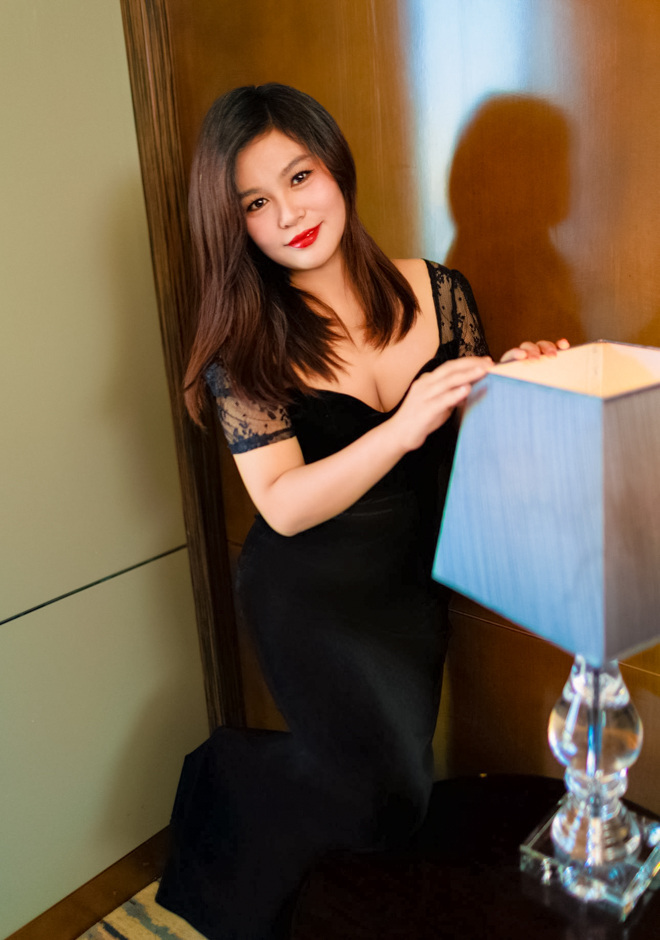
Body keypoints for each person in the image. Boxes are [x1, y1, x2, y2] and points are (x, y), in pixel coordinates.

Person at [156, 83, 568, 940]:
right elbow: (282, 505)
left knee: (395, 795)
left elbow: (475, 451)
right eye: (255, 203)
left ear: (334, 165)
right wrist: (405, 425)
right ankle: (224, 793)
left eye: (299, 176)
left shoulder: (440, 292)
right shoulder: (245, 344)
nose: (289, 214)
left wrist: (522, 383)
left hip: (409, 584)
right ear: (235, 225)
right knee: (377, 800)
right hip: (307, 596)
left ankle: (248, 805)